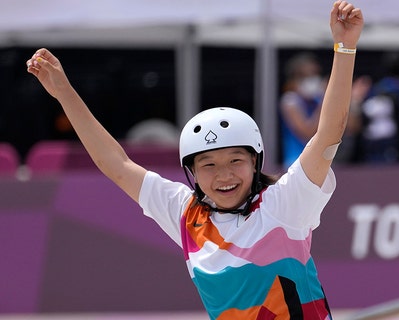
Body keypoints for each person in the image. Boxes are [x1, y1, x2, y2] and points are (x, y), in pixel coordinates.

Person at [25, 1, 363, 319]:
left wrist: (344, 48)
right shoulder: (186, 214)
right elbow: (116, 164)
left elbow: (328, 133)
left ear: (256, 162)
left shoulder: (284, 204)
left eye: (235, 160)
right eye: (209, 165)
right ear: (193, 174)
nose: (224, 175)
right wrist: (64, 92)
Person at [279, 52, 324, 168]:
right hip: (295, 163)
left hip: (319, 162)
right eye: (306, 76)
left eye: (315, 74)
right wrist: (326, 103)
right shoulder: (290, 101)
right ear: (295, 78)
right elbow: (307, 133)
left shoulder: (317, 100)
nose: (312, 79)